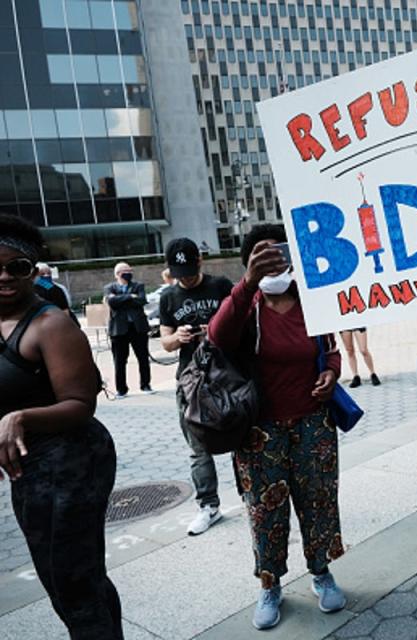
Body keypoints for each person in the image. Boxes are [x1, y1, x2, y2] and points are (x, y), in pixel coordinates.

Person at [207, 224, 346, 631]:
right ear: (248, 261)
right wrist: (248, 283)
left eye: (279, 253)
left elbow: (331, 349)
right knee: (266, 513)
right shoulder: (244, 304)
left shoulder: (311, 303)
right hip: (259, 433)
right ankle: (270, 584)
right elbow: (218, 337)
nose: (273, 261)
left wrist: (332, 374)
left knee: (318, 500)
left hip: (313, 425)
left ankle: (321, 573)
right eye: (262, 255)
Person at [0, 213, 122, 638]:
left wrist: (19, 418)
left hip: (74, 460)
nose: (5, 276)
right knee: (66, 577)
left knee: (73, 580)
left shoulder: (51, 324)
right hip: (28, 468)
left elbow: (80, 404)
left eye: (17, 267)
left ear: (34, 270)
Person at [158, 238, 233, 536]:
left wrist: (214, 330)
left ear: (200, 261)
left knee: (242, 436)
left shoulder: (221, 286)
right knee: (197, 446)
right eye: (179, 273)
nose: (185, 278)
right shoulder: (168, 297)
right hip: (191, 381)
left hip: (228, 376)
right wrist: (179, 337)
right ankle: (208, 506)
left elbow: (243, 322)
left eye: (189, 271)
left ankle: (251, 495)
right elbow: (165, 342)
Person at [104, 262, 152, 398]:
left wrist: (120, 300)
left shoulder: (138, 286)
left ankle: (146, 384)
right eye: (125, 271)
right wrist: (131, 297)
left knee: (143, 357)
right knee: (119, 361)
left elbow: (142, 300)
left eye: (130, 270)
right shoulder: (109, 288)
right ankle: (121, 389)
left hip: (138, 327)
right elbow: (112, 303)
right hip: (119, 329)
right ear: (117, 274)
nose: (129, 273)